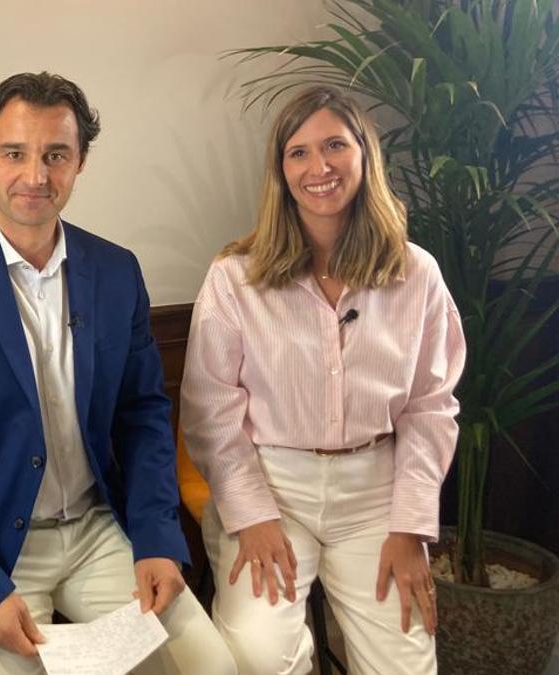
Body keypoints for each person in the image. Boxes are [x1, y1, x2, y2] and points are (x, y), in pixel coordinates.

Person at [0, 71, 236, 675]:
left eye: (56, 155)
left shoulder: (117, 271)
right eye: (15, 153)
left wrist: (156, 541)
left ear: (80, 162)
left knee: (211, 668)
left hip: (101, 531)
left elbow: (142, 416)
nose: (35, 176)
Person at [180, 85, 466, 675]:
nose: (320, 166)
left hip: (378, 495)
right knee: (259, 656)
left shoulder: (417, 274)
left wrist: (412, 526)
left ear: (364, 156)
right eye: (299, 152)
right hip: (272, 488)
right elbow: (210, 415)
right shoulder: (235, 278)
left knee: (406, 664)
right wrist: (251, 515)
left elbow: (430, 408)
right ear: (281, 172)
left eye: (335, 145)